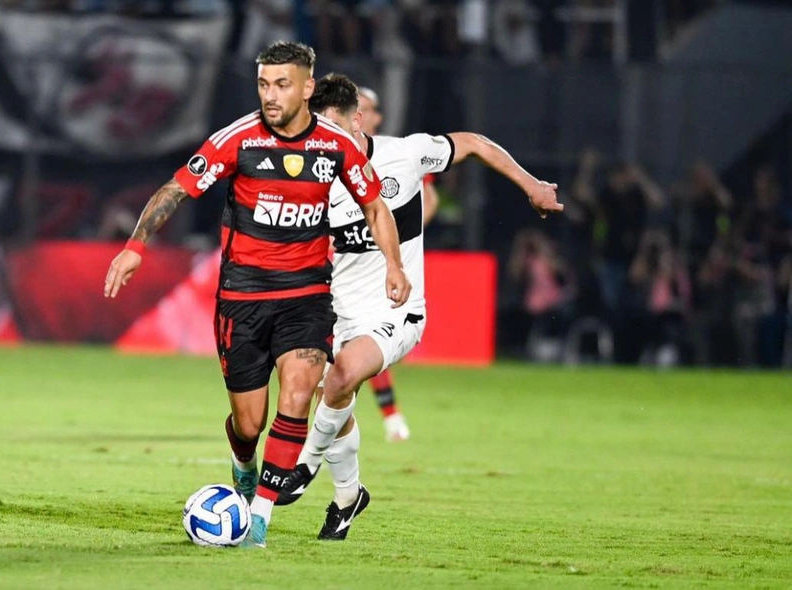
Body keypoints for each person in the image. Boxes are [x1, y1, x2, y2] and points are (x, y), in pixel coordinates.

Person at [102, 42, 409, 548]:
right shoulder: (238, 140)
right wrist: (136, 246)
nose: (270, 95)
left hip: (307, 296)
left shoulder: (337, 144)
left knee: (297, 395)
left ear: (308, 87)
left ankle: (259, 520)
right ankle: (244, 469)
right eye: (264, 84)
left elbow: (376, 206)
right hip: (242, 300)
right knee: (249, 424)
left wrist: (393, 266)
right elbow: (175, 188)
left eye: (282, 84)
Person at [276, 73, 562, 540]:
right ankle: (348, 496)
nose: (329, 139)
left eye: (338, 127)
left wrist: (530, 185)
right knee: (332, 394)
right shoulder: (313, 175)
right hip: (338, 311)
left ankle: (303, 466)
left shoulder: (403, 154)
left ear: (359, 120)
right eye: (320, 130)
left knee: (342, 374)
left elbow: (472, 143)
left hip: (397, 311)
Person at [356, 85, 441, 441]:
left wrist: (399, 238)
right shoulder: (332, 152)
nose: (360, 114)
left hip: (383, 262)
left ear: (376, 116)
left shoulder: (399, 153)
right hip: (344, 262)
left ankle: (387, 417)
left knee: (370, 340)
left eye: (367, 108)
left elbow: (430, 199)